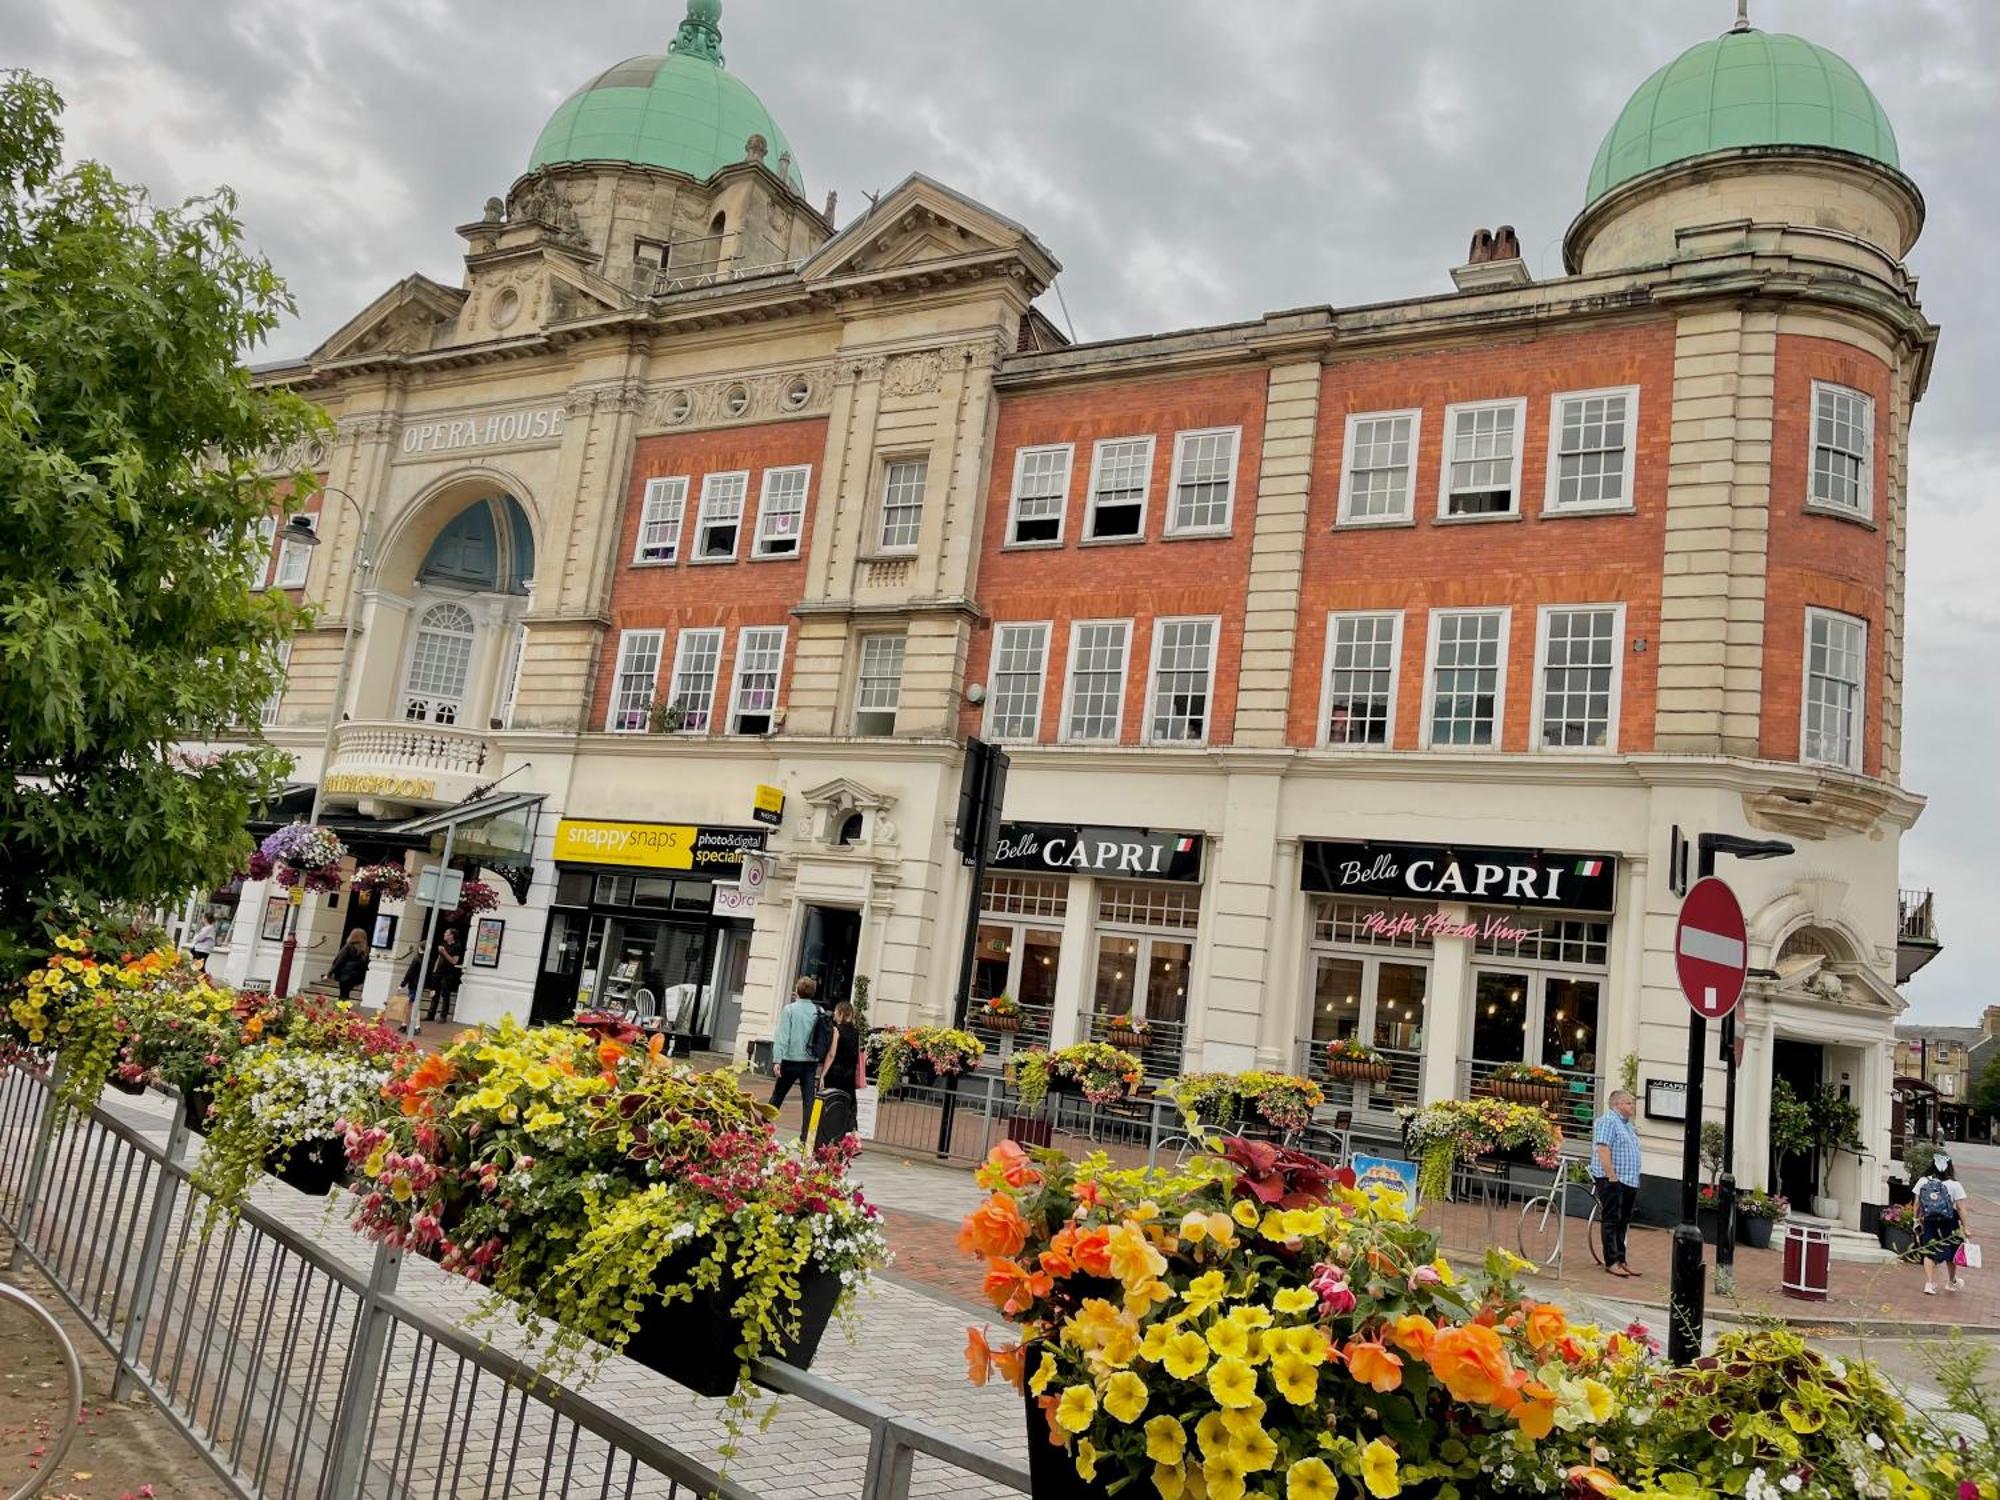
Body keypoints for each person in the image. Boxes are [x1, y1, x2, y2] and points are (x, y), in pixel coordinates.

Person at [1590, 1089, 1642, 1278]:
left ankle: (1621, 1259)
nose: (1632, 1106)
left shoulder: (1627, 1125)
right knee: (1612, 1219)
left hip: (1628, 1180)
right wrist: (1611, 1175)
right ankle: (1611, 1261)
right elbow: (1602, 1148)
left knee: (1623, 1221)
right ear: (1617, 1105)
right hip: (1613, 1179)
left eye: (1632, 1103)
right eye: (1629, 1103)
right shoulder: (1608, 1121)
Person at [770, 977, 822, 1139]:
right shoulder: (818, 1011)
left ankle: (763, 1127)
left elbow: (782, 1036)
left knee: (778, 1096)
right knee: (809, 1101)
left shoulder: (789, 1010)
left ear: (797, 991)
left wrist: (777, 1059)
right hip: (810, 1061)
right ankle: (807, 1136)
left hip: (791, 1059)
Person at [1915, 1153, 1971, 1295]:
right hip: (1949, 1221)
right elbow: (1961, 1207)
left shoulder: (1923, 1181)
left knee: (1929, 1250)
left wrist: (1916, 1220)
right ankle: (1951, 1282)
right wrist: (1966, 1227)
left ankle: (1929, 1283)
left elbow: (1917, 1204)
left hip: (1929, 1220)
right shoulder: (1954, 1184)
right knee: (1952, 1250)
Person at [820, 1000, 864, 1096]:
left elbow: (832, 1054)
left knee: (832, 1100)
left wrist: (823, 1073)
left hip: (835, 1072)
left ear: (841, 1013)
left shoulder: (836, 1030)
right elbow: (857, 1051)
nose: (834, 1013)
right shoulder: (856, 1032)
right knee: (844, 1102)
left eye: (836, 1010)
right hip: (849, 1074)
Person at [425, 929, 464, 1023]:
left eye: (446, 933)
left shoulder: (457, 946)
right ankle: (431, 1014)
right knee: (435, 993)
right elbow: (439, 958)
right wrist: (434, 969)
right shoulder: (444, 944)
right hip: (438, 971)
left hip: (448, 973)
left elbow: (454, 961)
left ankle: (443, 1016)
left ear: (452, 936)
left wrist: (444, 952)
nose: (444, 935)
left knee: (445, 994)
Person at [328, 928, 371, 1003]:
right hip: (356, 976)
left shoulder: (349, 946)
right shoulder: (365, 949)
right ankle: (346, 1009)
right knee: (346, 994)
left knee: (343, 994)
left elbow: (339, 960)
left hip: (345, 975)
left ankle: (342, 1011)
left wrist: (330, 973)